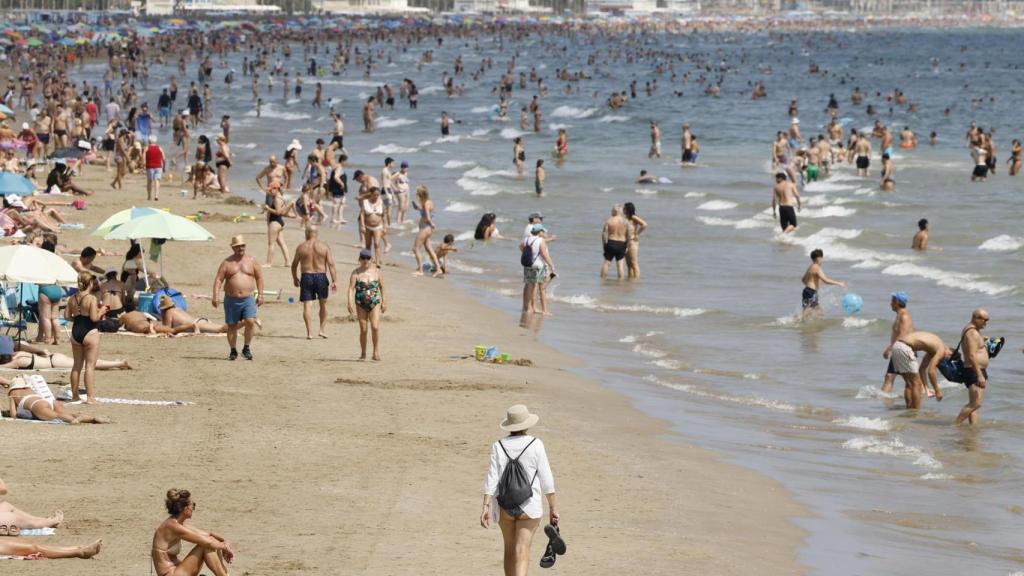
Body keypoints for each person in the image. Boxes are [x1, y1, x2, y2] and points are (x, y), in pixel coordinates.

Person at [480, 404, 559, 576]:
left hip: (504, 505)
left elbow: (492, 478)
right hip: (529, 506)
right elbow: (547, 479)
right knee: (522, 549)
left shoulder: (498, 445)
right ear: (527, 424)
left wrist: (485, 506)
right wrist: (553, 508)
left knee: (509, 549)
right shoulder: (536, 444)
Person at [152, 489, 234, 576]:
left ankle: (225, 574)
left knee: (209, 542)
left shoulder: (178, 524)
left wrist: (225, 543)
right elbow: (208, 543)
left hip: (178, 570)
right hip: (171, 574)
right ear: (185, 508)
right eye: (193, 505)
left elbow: (209, 535)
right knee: (205, 545)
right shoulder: (173, 527)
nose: (193, 508)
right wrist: (224, 547)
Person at [212, 236, 264, 361]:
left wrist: (261, 294)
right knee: (232, 325)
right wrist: (216, 295)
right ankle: (233, 350)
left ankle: (246, 348)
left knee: (250, 321)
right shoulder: (227, 263)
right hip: (231, 299)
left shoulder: (252, 261)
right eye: (238, 246)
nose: (241, 248)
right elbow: (219, 279)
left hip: (248, 298)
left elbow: (259, 277)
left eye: (242, 245)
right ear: (233, 247)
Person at [64, 272, 107, 404]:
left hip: (76, 331)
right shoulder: (91, 298)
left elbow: (66, 316)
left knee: (76, 365)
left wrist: (77, 318)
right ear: (90, 283)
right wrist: (102, 311)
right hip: (89, 332)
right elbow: (94, 318)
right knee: (89, 366)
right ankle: (90, 397)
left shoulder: (72, 298)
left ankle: (75, 396)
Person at [2, 374, 110, 424]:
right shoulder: (29, 388)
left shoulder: (13, 393)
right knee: (67, 413)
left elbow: (13, 415)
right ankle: (92, 418)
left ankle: (75, 419)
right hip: (48, 401)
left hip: (36, 405)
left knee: (58, 417)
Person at [291, 226, 337, 340]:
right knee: (323, 304)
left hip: (306, 276)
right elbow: (331, 264)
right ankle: (322, 330)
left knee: (307, 305)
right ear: (316, 233)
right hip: (321, 276)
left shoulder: (301, 247)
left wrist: (295, 278)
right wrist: (334, 280)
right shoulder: (324, 246)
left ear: (307, 233)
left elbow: (294, 264)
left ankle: (309, 333)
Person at [886, 330, 948, 409]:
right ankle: (915, 411)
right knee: (917, 384)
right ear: (949, 352)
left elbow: (922, 369)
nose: (943, 360)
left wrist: (927, 388)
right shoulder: (942, 349)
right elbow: (931, 371)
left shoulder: (932, 349)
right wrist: (937, 391)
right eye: (946, 358)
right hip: (905, 348)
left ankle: (909, 408)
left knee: (909, 383)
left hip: (897, 346)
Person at [347, 249, 385, 361]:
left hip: (374, 302)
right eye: (363, 258)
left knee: (375, 327)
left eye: (368, 258)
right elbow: (350, 289)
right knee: (363, 330)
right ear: (359, 259)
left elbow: (382, 287)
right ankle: (363, 354)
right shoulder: (356, 273)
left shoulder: (377, 272)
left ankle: (375, 352)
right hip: (360, 303)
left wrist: (384, 301)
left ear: (371, 259)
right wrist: (349, 303)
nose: (365, 260)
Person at [955, 309, 990, 426]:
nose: (986, 322)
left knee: (973, 403)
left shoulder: (974, 331)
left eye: (987, 320)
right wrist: (979, 375)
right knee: (976, 403)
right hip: (974, 371)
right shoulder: (972, 333)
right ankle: (955, 425)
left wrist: (982, 340)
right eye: (984, 320)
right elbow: (971, 355)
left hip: (975, 370)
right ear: (975, 318)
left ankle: (972, 429)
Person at [881, 292, 914, 396]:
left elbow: (902, 335)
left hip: (904, 350)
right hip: (898, 350)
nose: (890, 304)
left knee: (911, 379)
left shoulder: (904, 316)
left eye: (892, 301)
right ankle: (883, 399)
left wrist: (889, 349)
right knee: (889, 376)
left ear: (897, 302)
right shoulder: (899, 315)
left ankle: (922, 394)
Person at [521, 224, 555, 316]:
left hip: (528, 265)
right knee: (542, 288)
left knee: (529, 286)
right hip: (539, 266)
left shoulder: (527, 239)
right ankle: (544, 310)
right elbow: (544, 254)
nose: (544, 233)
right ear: (539, 232)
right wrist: (551, 264)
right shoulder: (541, 240)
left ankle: (529, 308)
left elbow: (521, 247)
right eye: (543, 231)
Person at [800, 249, 846, 318]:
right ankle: (798, 322)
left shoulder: (811, 267)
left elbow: (803, 280)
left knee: (810, 312)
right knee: (816, 312)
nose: (822, 260)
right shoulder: (817, 267)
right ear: (819, 258)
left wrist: (813, 283)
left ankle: (798, 321)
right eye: (822, 258)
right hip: (811, 292)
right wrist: (839, 283)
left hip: (807, 291)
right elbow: (826, 280)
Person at [411, 186, 441, 277]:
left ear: (420, 195)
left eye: (418, 195)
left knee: (415, 248)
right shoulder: (428, 202)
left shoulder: (426, 203)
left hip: (425, 228)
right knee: (429, 250)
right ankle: (438, 269)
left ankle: (420, 270)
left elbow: (428, 217)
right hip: (426, 228)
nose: (417, 197)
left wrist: (431, 224)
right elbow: (427, 213)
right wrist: (418, 209)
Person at [158, 296, 226, 335]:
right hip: (200, 321)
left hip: (196, 325)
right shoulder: (177, 309)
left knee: (221, 329)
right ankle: (234, 325)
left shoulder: (168, 313)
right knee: (221, 328)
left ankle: (235, 324)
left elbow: (168, 329)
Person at [263, 182, 290, 268]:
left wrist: (268, 208)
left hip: (275, 222)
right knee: (282, 243)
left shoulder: (277, 199)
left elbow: (278, 212)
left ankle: (268, 263)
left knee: (271, 243)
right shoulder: (281, 198)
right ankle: (288, 262)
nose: (270, 192)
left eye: (271, 190)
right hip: (279, 222)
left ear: (276, 189)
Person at [601, 206, 627, 279]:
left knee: (607, 263)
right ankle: (621, 282)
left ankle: (602, 280)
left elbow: (604, 234)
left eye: (612, 211)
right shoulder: (625, 221)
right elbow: (628, 234)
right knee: (620, 265)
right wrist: (627, 245)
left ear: (615, 211)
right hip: (622, 243)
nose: (611, 212)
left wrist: (604, 245)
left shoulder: (609, 220)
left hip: (611, 242)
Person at [623, 202, 646, 279]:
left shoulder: (633, 217)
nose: (623, 210)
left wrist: (637, 234)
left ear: (628, 209)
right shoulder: (626, 218)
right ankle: (630, 281)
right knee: (629, 264)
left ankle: (636, 280)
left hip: (633, 242)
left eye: (624, 208)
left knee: (634, 263)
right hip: (626, 242)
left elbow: (644, 224)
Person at [145, 134, 165, 202]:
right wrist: (164, 166)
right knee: (157, 181)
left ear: (149, 141)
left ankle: (149, 196)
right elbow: (164, 158)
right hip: (158, 167)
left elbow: (143, 157)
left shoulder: (147, 148)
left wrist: (142, 165)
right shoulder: (160, 148)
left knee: (149, 181)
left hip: (149, 167)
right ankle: (156, 195)